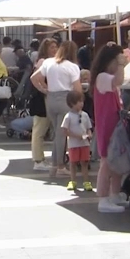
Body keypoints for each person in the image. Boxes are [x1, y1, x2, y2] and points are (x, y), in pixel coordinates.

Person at [31, 40, 81, 178]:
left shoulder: (48, 62)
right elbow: (77, 89)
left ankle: (54, 164)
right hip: (65, 98)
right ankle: (60, 165)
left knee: (57, 132)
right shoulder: (72, 66)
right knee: (62, 134)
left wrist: (45, 90)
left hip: (51, 98)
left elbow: (34, 78)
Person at [90, 44, 127, 213]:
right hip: (107, 125)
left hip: (114, 124)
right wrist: (121, 65)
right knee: (106, 162)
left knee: (116, 161)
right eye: (117, 60)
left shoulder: (105, 77)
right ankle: (103, 198)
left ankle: (114, 194)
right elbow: (119, 81)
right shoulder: (102, 77)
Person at [29, 39, 57, 171]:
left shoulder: (50, 61)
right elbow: (37, 79)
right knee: (39, 130)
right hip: (41, 99)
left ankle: (41, 159)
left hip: (46, 98)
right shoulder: (43, 62)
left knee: (42, 129)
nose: (55, 49)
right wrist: (46, 90)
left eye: (55, 47)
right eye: (52, 47)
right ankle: (38, 160)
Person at [61, 90, 93, 192]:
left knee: (85, 162)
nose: (81, 104)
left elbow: (88, 127)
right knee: (73, 163)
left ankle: (86, 182)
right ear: (71, 103)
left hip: (84, 143)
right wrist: (76, 136)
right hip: (73, 144)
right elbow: (65, 131)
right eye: (78, 102)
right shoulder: (68, 116)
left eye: (82, 101)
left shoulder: (85, 115)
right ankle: (73, 181)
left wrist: (89, 134)